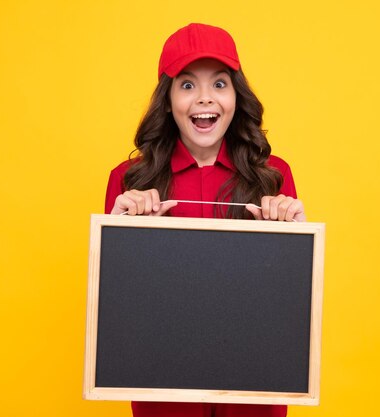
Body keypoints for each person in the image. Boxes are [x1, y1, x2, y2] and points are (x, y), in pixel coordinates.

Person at [104, 23, 305, 417]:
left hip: (255, 387)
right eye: (187, 85)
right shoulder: (129, 182)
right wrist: (119, 235)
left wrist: (293, 237)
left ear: (235, 95)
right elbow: (121, 310)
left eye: (219, 83)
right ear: (167, 101)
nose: (204, 99)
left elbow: (286, 303)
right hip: (163, 387)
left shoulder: (274, 175)